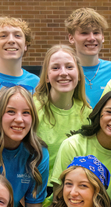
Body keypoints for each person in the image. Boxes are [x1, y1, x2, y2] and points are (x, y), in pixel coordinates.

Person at [33, 44, 92, 181]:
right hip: (36, 191)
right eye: (55, 68)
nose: (63, 73)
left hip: (73, 191)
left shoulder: (88, 114)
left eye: (69, 67)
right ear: (47, 76)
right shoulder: (31, 109)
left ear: (78, 75)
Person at [64, 7, 111, 106]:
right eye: (84, 33)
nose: (92, 38)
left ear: (103, 37)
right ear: (71, 38)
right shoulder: (64, 72)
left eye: (96, 33)